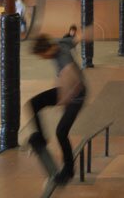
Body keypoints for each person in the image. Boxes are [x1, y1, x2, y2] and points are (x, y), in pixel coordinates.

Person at [28, 33, 87, 185]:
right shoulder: (60, 42)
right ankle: (42, 138)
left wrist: (64, 99)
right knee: (34, 103)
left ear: (46, 50)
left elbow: (75, 81)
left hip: (76, 96)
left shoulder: (64, 59)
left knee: (61, 132)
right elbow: (74, 39)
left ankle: (68, 171)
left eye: (42, 56)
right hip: (65, 89)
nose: (44, 58)